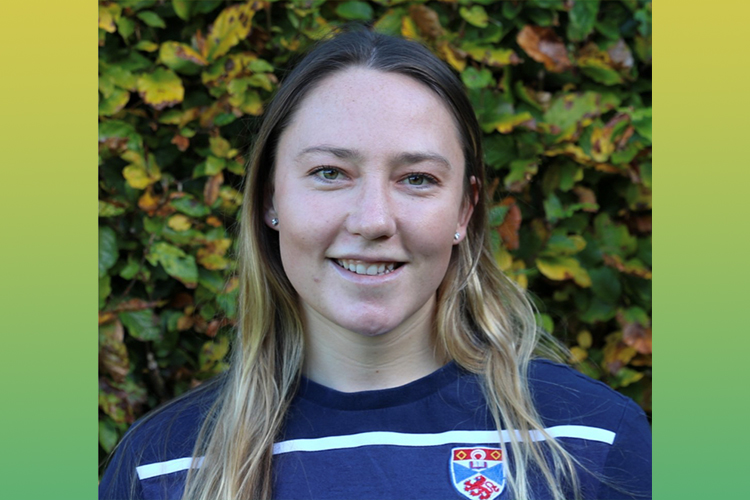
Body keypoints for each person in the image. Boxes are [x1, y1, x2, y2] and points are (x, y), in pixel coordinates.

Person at [99, 28, 651, 500]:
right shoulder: (163, 467)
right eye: (330, 173)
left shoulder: (590, 441)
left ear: (465, 208)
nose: (372, 221)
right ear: (270, 198)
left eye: (417, 179)